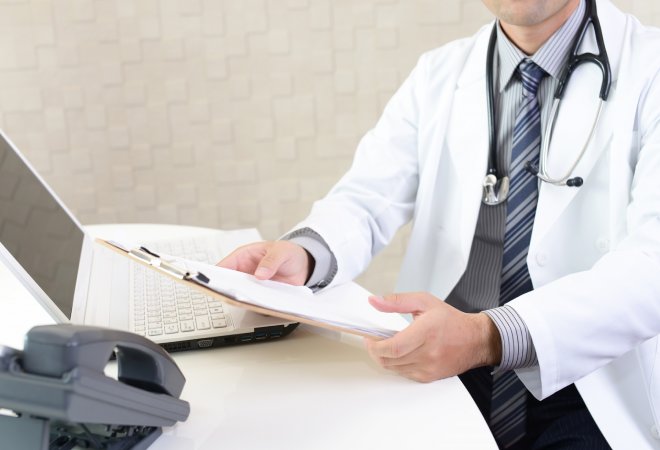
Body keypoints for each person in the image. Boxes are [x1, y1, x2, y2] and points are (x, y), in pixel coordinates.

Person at [219, 0, 660, 448]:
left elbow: (652, 263)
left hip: (590, 382)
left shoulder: (650, 68)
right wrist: (305, 255)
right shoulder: (438, 74)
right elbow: (366, 197)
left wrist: (489, 336)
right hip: (447, 365)